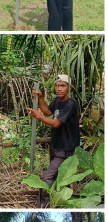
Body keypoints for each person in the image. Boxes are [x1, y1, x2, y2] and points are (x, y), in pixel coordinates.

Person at [27, 74, 80, 208]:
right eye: (57, 86)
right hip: (56, 146)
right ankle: (59, 202)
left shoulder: (70, 104)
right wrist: (40, 97)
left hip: (65, 149)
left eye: (62, 86)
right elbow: (47, 111)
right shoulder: (57, 101)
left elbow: (56, 123)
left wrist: (39, 117)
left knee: (47, 178)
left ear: (70, 88)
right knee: (60, 177)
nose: (59, 89)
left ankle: (43, 206)